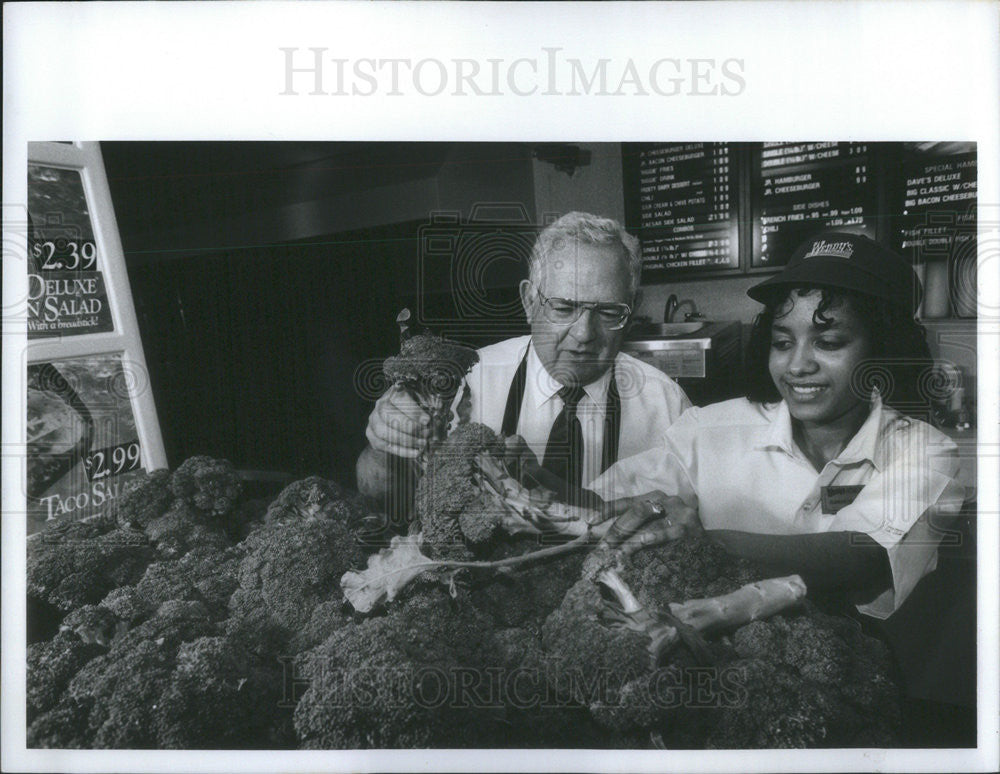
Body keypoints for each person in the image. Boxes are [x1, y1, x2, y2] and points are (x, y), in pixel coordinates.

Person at [591, 231, 965, 621]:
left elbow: (862, 554)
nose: (798, 365)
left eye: (830, 343)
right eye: (783, 343)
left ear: (883, 350)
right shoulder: (707, 429)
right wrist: (535, 493)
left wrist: (705, 544)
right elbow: (597, 507)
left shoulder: (923, 451)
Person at [358, 211, 691, 514]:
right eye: (563, 308)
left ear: (633, 307)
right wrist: (384, 451)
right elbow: (383, 499)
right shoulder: (464, 383)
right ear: (529, 300)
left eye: (608, 312)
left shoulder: (667, 405)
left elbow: (697, 522)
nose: (584, 333)